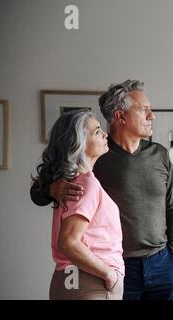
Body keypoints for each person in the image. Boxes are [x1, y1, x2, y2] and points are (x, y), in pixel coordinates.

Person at [31, 80, 173, 300]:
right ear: (121, 117)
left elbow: (172, 205)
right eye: (144, 110)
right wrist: (54, 188)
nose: (152, 116)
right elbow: (37, 192)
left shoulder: (159, 154)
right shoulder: (94, 153)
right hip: (114, 266)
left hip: (161, 263)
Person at [32, 110, 124, 300]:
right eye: (97, 131)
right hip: (91, 282)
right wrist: (110, 275)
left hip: (70, 281)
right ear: (79, 142)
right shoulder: (86, 183)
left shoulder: (71, 182)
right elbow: (68, 243)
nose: (105, 134)